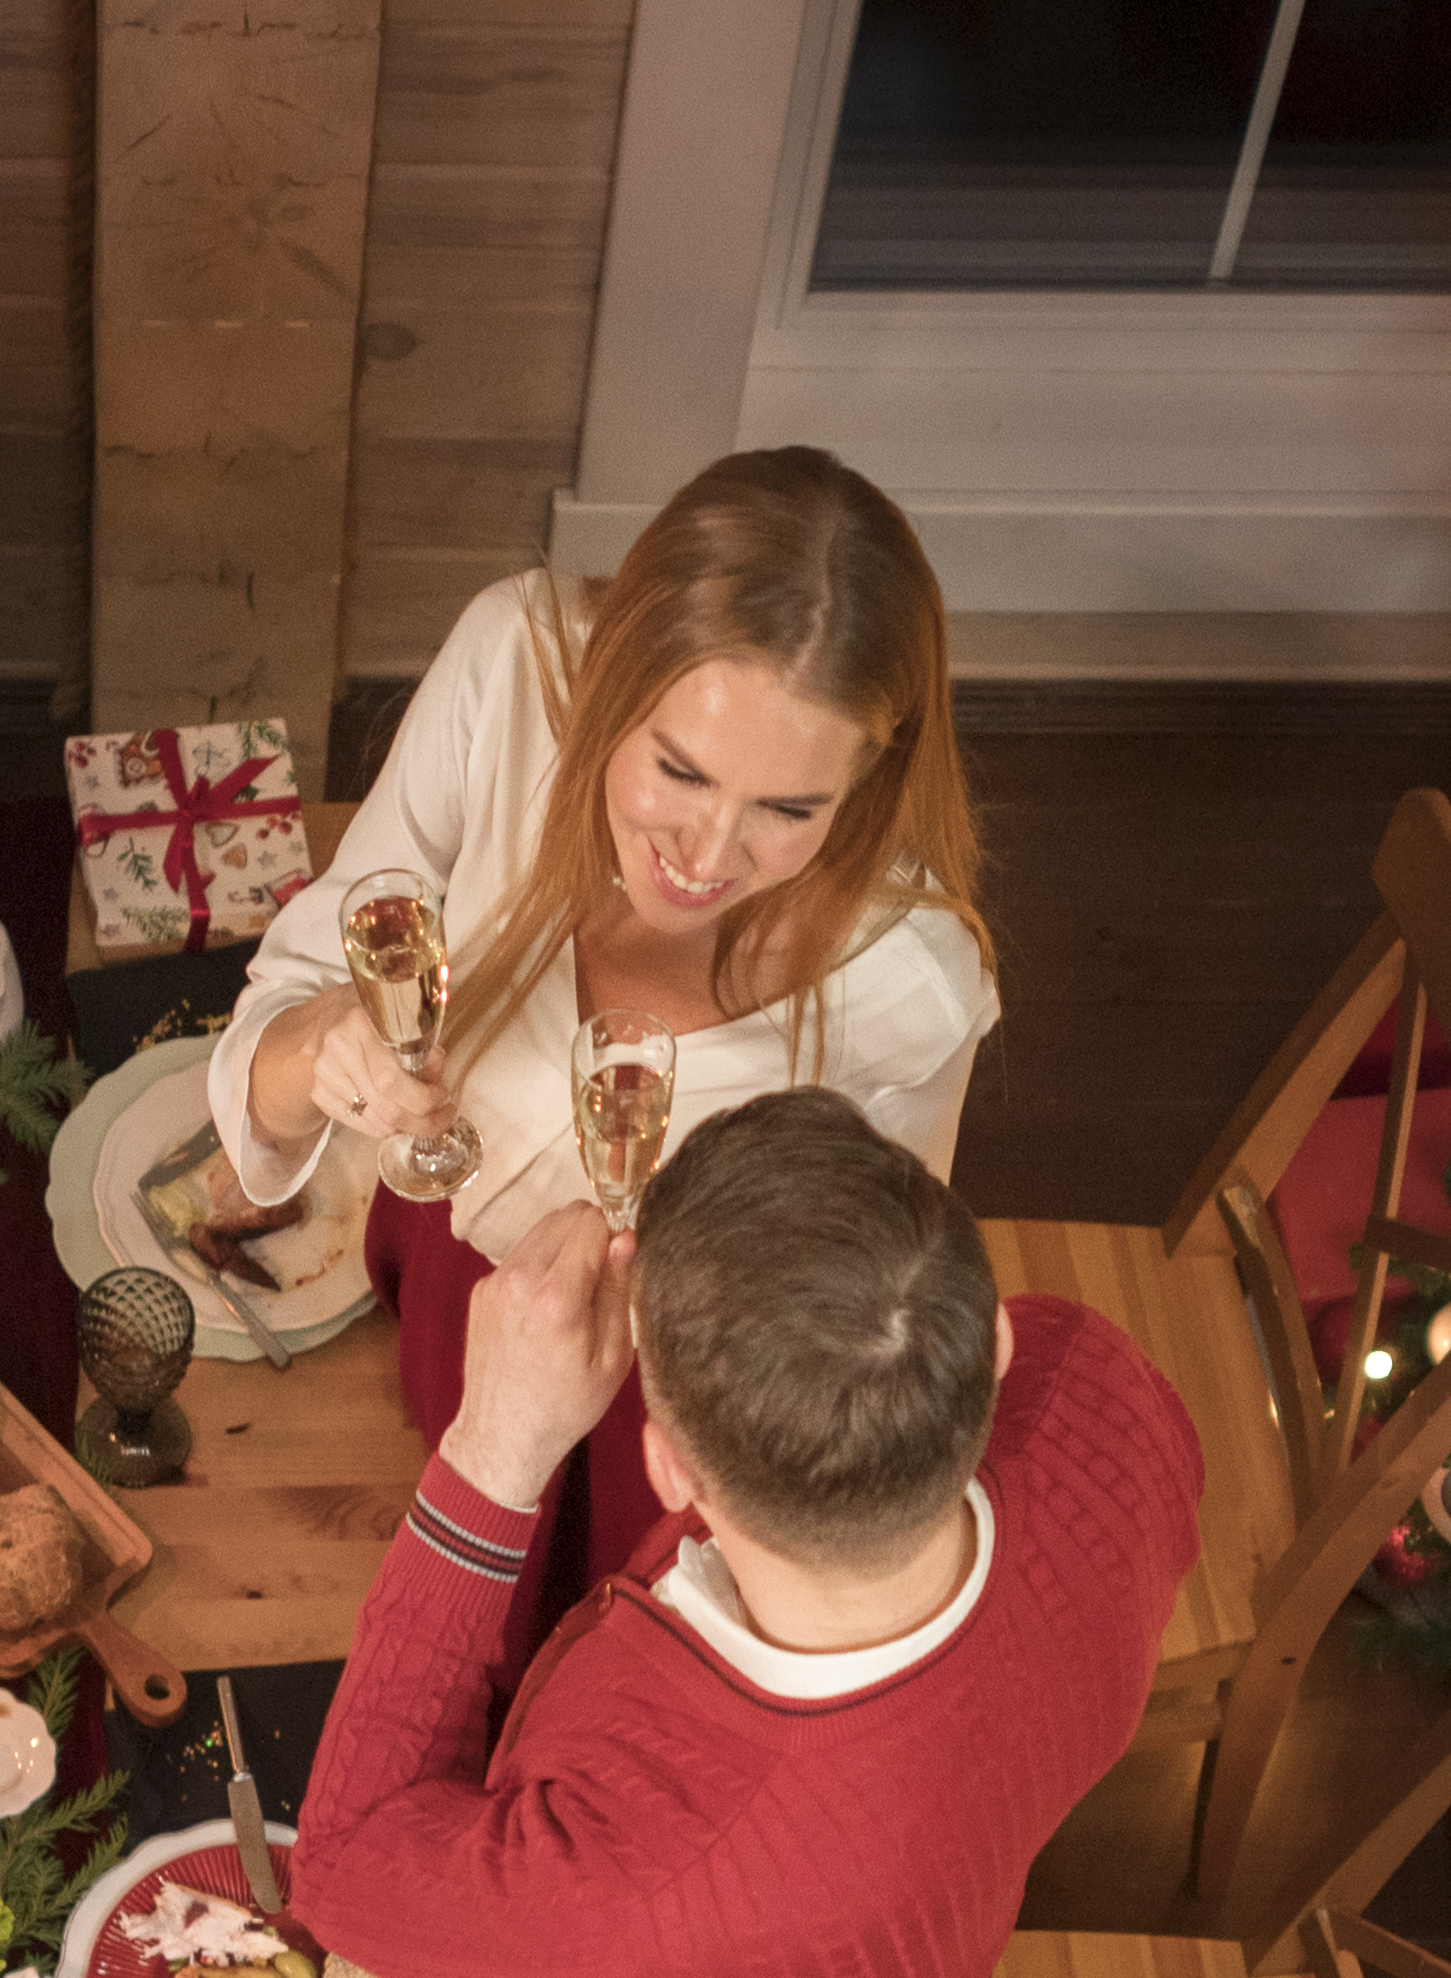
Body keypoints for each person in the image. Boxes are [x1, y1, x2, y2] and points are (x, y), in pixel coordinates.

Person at [284, 1092, 1199, 1978]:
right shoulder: (1091, 1388)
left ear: (662, 1469)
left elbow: (350, 1875)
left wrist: (494, 1454)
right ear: (992, 1340)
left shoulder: (658, 1875)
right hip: (925, 1970)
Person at [206, 448, 995, 1583]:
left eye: (787, 807)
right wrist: (311, 1051)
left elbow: (865, 1324)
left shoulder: (908, 991)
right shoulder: (511, 667)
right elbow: (283, 1019)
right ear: (610, 679)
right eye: (679, 771)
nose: (708, 857)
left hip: (648, 1426)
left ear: (869, 780)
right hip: (430, 1282)